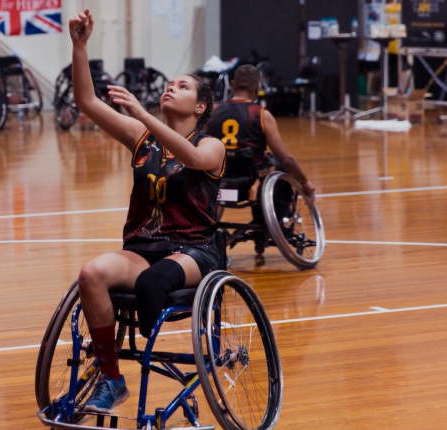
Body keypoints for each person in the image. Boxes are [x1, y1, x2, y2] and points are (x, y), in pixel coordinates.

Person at [69, 9, 225, 414]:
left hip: (194, 250)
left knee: (153, 284)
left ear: (202, 107)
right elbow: (85, 100)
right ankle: (111, 379)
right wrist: (80, 46)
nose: (172, 87)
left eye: (184, 86)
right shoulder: (143, 139)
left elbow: (190, 157)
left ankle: (135, 351)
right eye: (171, 83)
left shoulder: (211, 147)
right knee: (91, 274)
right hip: (142, 247)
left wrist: (141, 113)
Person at [207, 65, 315, 223]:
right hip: (248, 181)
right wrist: (305, 182)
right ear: (257, 88)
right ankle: (272, 222)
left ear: (232, 84)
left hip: (215, 178)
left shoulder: (213, 110)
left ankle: (209, 226)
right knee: (278, 162)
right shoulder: (262, 115)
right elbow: (286, 159)